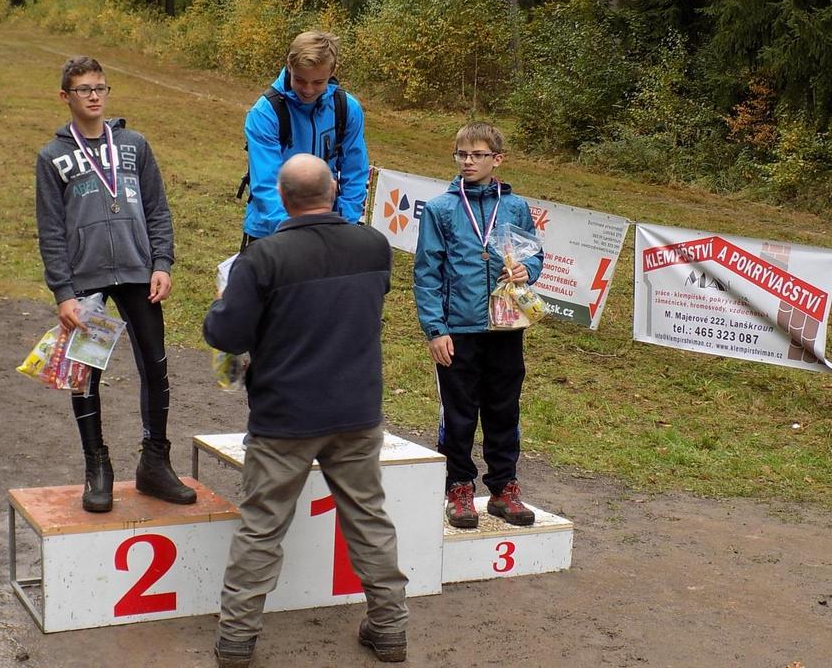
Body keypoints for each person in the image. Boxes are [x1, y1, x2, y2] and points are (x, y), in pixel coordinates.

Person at [204, 154, 408, 667]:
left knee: (261, 527)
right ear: (334, 189)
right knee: (369, 520)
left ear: (282, 197)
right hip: (356, 410)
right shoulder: (374, 245)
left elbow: (225, 335)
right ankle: (389, 629)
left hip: (284, 418)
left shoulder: (263, 259)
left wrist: (227, 298)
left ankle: (236, 640)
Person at [35, 56, 195, 513]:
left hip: (137, 272)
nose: (94, 96)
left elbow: (158, 209)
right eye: (84, 89)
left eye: (100, 88)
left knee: (155, 366)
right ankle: (97, 466)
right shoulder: (52, 157)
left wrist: (161, 262)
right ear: (65, 96)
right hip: (86, 281)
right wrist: (63, 292)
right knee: (84, 374)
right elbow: (50, 229)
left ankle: (155, 462)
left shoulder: (134, 145)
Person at [412, 122, 544, 529]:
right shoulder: (441, 208)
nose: (468, 161)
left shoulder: (516, 206)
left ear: (497, 159)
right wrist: (436, 329)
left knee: (504, 408)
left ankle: (504, 487)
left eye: (477, 155)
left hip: (505, 326)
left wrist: (528, 269)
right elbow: (427, 272)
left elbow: (535, 254)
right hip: (459, 329)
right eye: (461, 155)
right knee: (459, 412)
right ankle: (459, 487)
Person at [241, 30, 369, 248]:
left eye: (318, 82)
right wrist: (297, 238)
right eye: (300, 80)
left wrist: (344, 226)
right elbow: (265, 184)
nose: (308, 90)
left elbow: (355, 173)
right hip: (272, 232)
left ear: (332, 71)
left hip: (330, 230)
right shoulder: (265, 113)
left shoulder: (347, 109)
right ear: (289, 66)